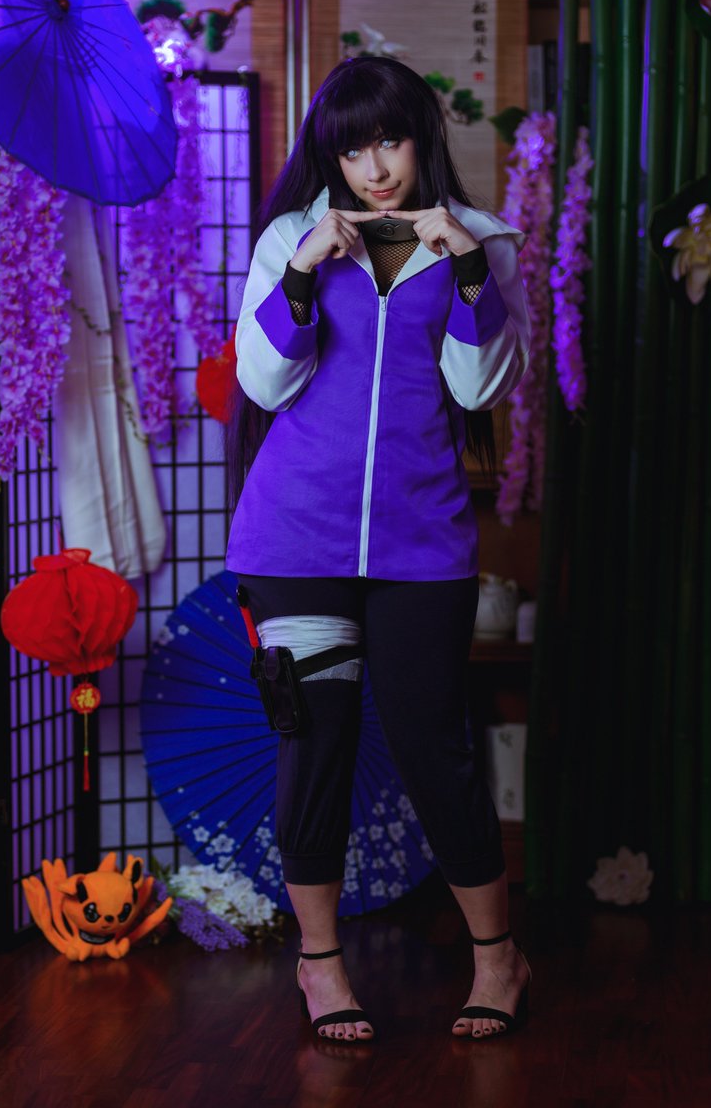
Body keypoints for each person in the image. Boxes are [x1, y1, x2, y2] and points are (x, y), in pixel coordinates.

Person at [226, 55, 532, 1043]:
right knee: (313, 744)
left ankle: (498, 957)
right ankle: (320, 965)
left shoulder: (482, 239)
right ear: (331, 155)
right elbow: (265, 384)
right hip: (294, 540)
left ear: (421, 137)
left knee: (433, 746)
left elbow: (480, 386)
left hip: (420, 543)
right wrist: (304, 273)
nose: (375, 168)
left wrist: (468, 271)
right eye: (353, 149)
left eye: (390, 141)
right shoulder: (290, 238)